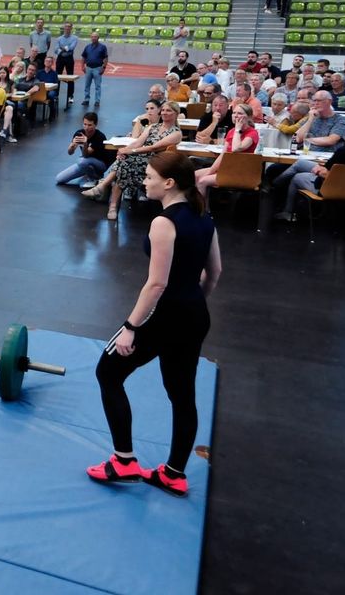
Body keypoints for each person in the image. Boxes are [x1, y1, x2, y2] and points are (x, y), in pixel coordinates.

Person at [87, 152, 221, 498]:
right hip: (194, 315)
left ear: (169, 183)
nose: (144, 181)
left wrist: (131, 326)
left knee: (108, 372)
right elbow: (215, 272)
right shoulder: (204, 214)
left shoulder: (164, 222)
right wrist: (193, 301)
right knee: (182, 394)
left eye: (148, 177)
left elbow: (156, 284)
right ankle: (174, 473)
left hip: (163, 315)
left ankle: (124, 461)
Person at [85, 102, 183, 221]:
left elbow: (154, 147)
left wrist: (132, 151)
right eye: (163, 110)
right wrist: (125, 149)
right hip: (139, 158)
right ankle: (108, 197)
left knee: (125, 161)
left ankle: (107, 195)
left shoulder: (176, 133)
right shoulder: (153, 127)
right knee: (123, 161)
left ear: (176, 114)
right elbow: (138, 141)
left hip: (156, 162)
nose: (164, 113)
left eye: (168, 111)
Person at [271, 117, 345, 222]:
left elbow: (325, 173)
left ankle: (283, 205)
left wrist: (319, 170)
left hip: (329, 188)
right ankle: (275, 184)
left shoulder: (344, 151)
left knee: (297, 177)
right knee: (300, 163)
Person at [195, 103, 259, 198]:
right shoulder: (231, 131)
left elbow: (236, 148)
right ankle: (203, 205)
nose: (236, 116)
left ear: (249, 117)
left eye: (240, 113)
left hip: (241, 172)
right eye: (234, 113)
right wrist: (211, 171)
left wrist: (238, 129)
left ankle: (201, 211)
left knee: (202, 181)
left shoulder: (252, 133)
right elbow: (223, 155)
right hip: (226, 168)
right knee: (194, 175)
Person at [56, 112, 115, 188]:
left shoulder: (100, 136)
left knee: (81, 161)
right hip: (86, 163)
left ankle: (95, 177)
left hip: (100, 164)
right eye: (85, 124)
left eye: (90, 125)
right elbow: (70, 153)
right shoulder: (79, 133)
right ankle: (87, 173)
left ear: (95, 124)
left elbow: (86, 155)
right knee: (59, 178)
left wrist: (85, 144)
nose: (86, 127)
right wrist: (72, 145)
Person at [80, 31, 109, 108]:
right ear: (90, 37)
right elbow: (83, 57)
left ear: (98, 38)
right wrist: (82, 66)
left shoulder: (102, 47)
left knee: (98, 86)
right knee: (87, 85)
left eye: (95, 36)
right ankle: (86, 99)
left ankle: (97, 101)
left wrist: (104, 67)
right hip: (88, 68)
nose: (93, 38)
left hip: (97, 68)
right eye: (92, 36)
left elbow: (105, 58)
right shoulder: (87, 47)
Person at [55, 22, 79, 107]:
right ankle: (55, 94)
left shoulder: (75, 38)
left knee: (70, 77)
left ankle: (70, 96)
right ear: (64, 28)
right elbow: (56, 49)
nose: (67, 28)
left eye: (69, 27)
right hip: (60, 58)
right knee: (57, 76)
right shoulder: (59, 38)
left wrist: (63, 48)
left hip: (69, 58)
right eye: (66, 26)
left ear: (71, 28)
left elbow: (71, 48)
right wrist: (64, 50)